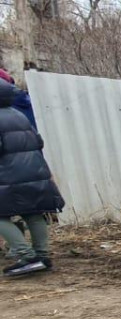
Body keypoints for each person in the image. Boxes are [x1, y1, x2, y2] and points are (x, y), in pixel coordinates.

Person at [0, 79, 63, 278]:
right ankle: (42, 256)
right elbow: (39, 142)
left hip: (7, 175)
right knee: (33, 212)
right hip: (34, 170)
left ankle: (27, 256)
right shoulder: (19, 115)